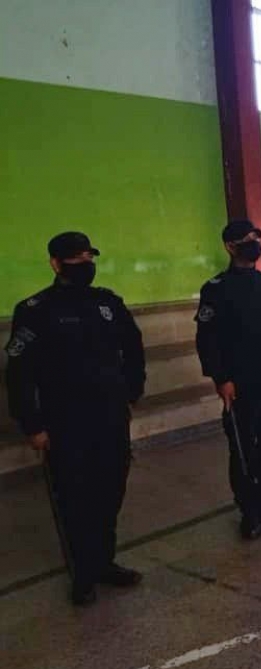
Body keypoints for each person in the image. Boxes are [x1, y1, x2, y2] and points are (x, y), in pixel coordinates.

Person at [6, 232, 146, 606]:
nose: (85, 264)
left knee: (111, 490)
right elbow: (19, 374)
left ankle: (104, 561)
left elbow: (133, 348)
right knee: (73, 496)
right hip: (65, 422)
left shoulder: (108, 303)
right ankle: (83, 574)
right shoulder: (35, 310)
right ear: (55, 264)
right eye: (75, 258)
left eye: (88, 256)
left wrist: (131, 392)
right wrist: (33, 424)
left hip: (110, 416)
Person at [196, 220, 261, 540]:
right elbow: (207, 339)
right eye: (246, 239)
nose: (254, 243)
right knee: (244, 448)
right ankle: (249, 510)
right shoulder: (216, 289)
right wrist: (221, 378)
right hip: (240, 382)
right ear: (230, 246)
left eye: (256, 237)